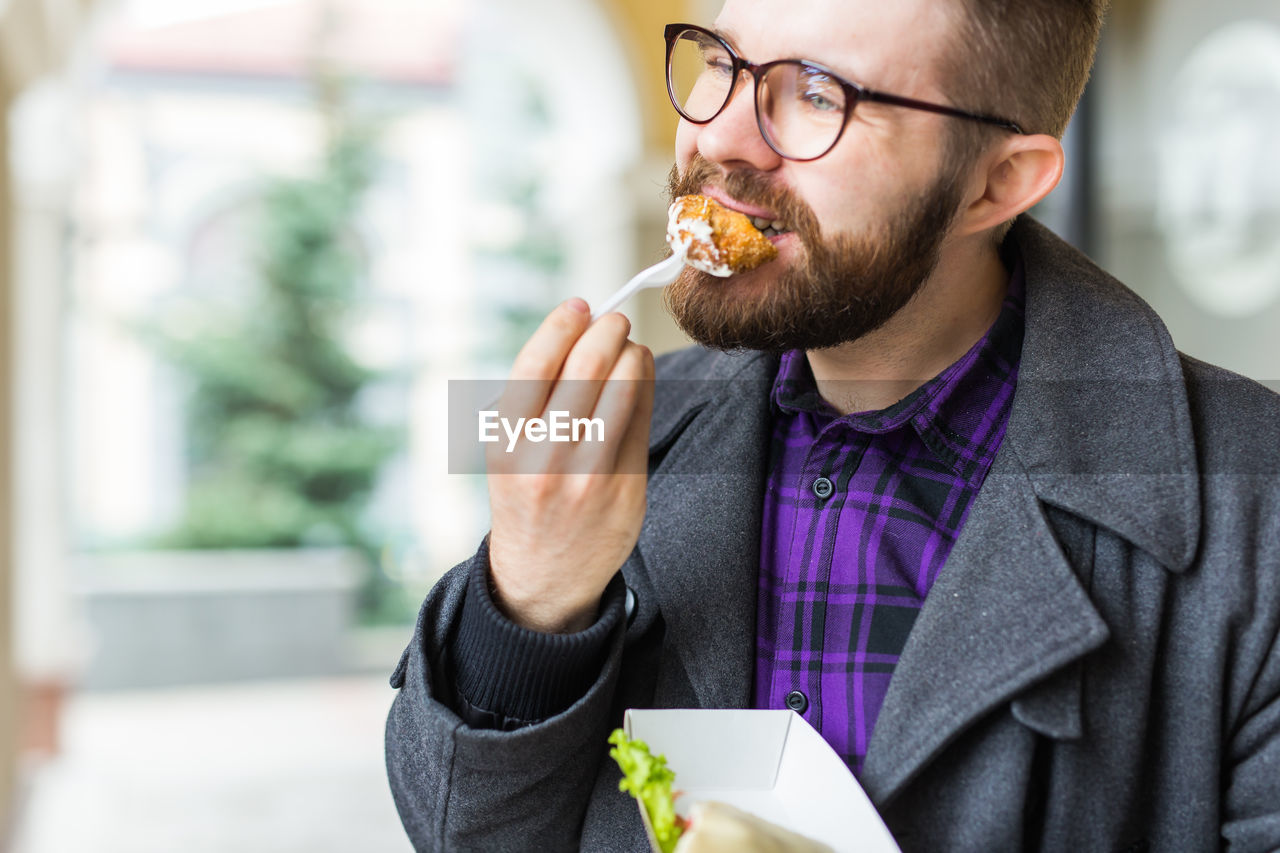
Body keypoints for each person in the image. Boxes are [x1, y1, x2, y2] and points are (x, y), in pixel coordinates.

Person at [385, 0, 1280, 850]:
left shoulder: (1256, 500)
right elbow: (460, 829)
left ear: (997, 184)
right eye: (720, 64)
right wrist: (532, 600)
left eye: (818, 92)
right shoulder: (624, 438)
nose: (719, 138)